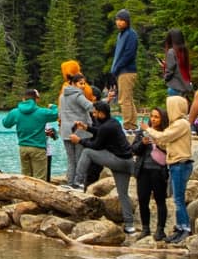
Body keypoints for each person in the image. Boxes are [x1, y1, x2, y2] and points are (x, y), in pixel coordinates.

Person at [70, 100, 137, 234]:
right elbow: (100, 132)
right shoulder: (113, 123)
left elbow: (96, 146)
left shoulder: (106, 127)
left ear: (101, 113)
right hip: (127, 162)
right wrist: (86, 128)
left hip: (118, 160)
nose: (93, 115)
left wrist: (79, 141)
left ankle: (77, 182)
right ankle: (129, 225)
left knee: (87, 152)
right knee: (123, 194)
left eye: (95, 112)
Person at [146, 95, 194, 244]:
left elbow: (166, 136)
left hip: (180, 164)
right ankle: (179, 227)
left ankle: (185, 228)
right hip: (175, 163)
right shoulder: (177, 125)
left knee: (178, 199)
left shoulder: (181, 124)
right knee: (176, 198)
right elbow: (167, 142)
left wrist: (148, 129)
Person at [131, 107, 170, 240]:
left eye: (157, 117)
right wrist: (142, 143)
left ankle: (160, 230)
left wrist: (156, 142)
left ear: (162, 119)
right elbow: (134, 149)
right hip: (143, 170)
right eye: (152, 116)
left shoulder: (166, 132)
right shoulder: (143, 132)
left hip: (158, 171)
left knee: (160, 200)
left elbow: (168, 149)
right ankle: (145, 228)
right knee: (143, 200)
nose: (153, 119)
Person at [2, 89, 59, 179]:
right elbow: (56, 114)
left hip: (23, 147)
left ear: (23, 99)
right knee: (39, 178)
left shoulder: (15, 112)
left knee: (25, 177)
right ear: (36, 100)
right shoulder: (42, 112)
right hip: (38, 148)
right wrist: (53, 107)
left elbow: (6, 124)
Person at [58, 66, 95, 188]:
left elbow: (60, 114)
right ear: (73, 83)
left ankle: (70, 183)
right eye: (81, 83)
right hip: (79, 132)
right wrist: (106, 102)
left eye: (84, 83)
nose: (83, 86)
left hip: (65, 131)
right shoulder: (78, 95)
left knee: (70, 159)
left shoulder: (62, 96)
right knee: (80, 159)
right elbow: (91, 107)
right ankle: (79, 183)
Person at [110, 9, 139, 128]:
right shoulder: (120, 35)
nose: (119, 22)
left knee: (124, 100)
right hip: (121, 71)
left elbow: (129, 54)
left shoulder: (131, 34)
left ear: (127, 21)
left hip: (127, 70)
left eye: (121, 20)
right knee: (128, 98)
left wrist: (117, 67)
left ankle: (128, 125)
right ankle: (132, 124)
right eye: (117, 20)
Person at [159, 28, 193, 98]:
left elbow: (170, 71)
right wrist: (166, 65)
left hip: (175, 88)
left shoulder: (171, 51)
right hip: (185, 87)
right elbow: (179, 67)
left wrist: (165, 77)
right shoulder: (184, 50)